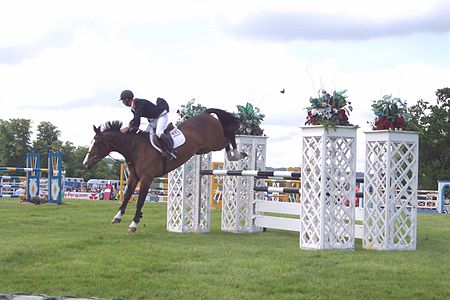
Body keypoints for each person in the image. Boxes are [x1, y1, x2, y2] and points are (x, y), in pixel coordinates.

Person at [118, 89, 176, 158]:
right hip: (153, 121)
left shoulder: (139, 103)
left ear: (127, 99)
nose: (123, 102)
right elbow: (137, 122)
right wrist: (131, 130)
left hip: (161, 116)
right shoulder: (133, 108)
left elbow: (136, 117)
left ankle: (171, 151)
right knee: (145, 136)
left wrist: (128, 127)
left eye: (123, 100)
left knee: (159, 133)